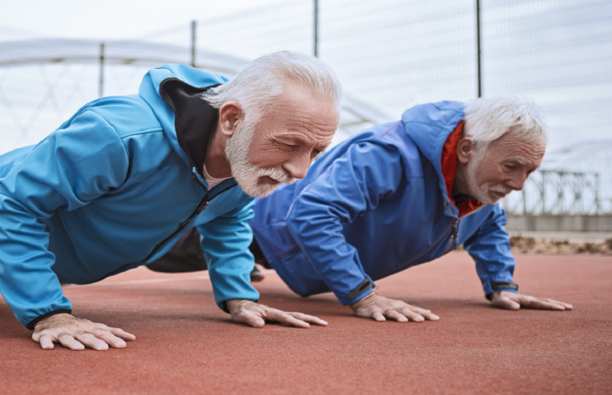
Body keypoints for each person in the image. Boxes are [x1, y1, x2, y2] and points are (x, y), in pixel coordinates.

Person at [0, 51, 342, 350]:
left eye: (316, 151)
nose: (300, 171)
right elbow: (12, 204)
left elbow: (229, 222)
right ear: (231, 119)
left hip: (49, 245)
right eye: (288, 145)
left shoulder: (243, 164)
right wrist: (49, 313)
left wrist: (238, 296)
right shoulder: (120, 135)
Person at [151, 97, 573, 322]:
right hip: (266, 226)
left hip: (302, 251)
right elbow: (313, 215)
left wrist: (503, 285)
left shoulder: (481, 190)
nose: (518, 184)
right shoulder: (389, 155)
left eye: (529, 172)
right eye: (511, 167)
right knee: (158, 250)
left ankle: (242, 265)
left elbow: (490, 226)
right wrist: (362, 295)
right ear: (466, 150)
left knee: (219, 260)